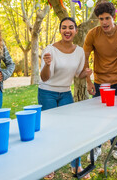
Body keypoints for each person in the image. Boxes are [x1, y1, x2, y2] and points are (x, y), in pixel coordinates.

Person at [38, 17, 92, 180]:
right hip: (47, 92)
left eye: (70, 27)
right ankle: (49, 166)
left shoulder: (80, 51)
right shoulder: (50, 49)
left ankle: (76, 165)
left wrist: (87, 74)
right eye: (64, 27)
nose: (67, 30)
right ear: (60, 30)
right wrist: (47, 64)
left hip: (66, 92)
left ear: (75, 31)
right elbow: (45, 78)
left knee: (71, 129)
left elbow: (78, 74)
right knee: (48, 130)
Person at [84, 1, 117, 162]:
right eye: (101, 19)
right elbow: (84, 57)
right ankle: (97, 146)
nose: (104, 22)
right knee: (98, 115)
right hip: (100, 81)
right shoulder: (93, 34)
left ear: (113, 17)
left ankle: (115, 145)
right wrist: (88, 81)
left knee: (116, 116)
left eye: (107, 18)